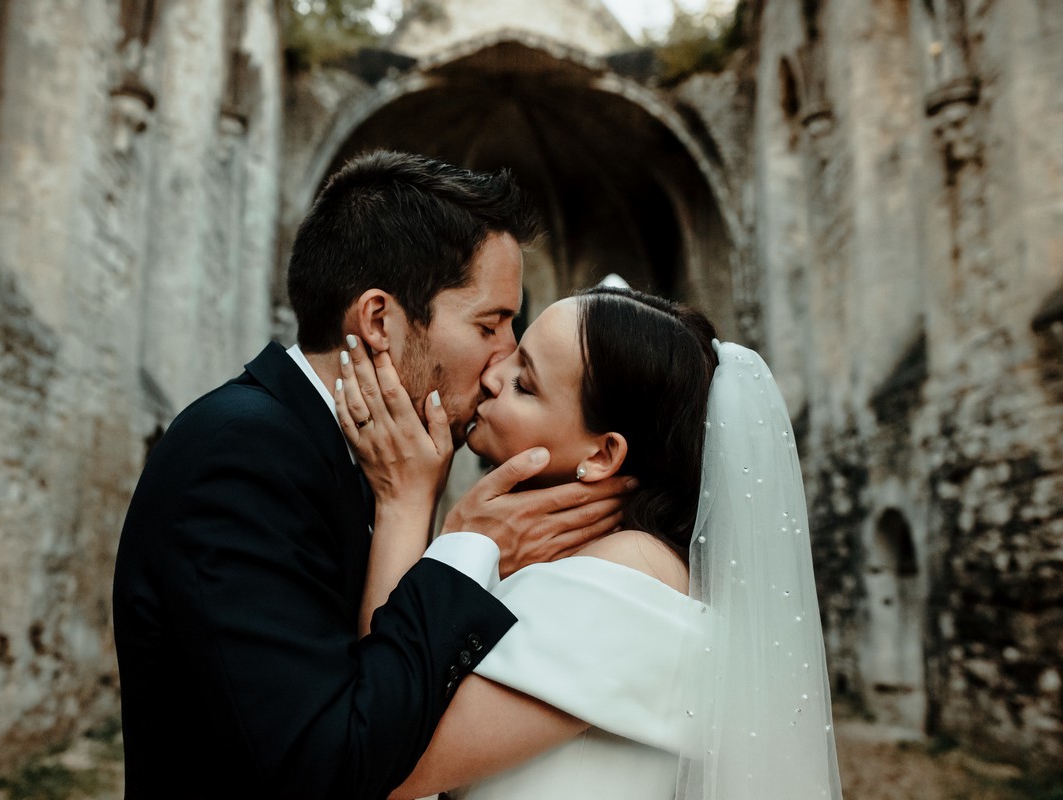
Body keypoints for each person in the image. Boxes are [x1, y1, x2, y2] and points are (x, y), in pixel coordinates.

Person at [111, 152, 634, 799]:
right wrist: (461, 546)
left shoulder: (370, 461)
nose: (505, 360)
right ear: (380, 321)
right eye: (490, 324)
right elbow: (330, 765)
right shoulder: (241, 454)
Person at [337, 285, 843, 800]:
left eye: (524, 384)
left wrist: (411, 507)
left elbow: (382, 763)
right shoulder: (586, 560)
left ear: (603, 455)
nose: (491, 377)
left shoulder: (628, 576)